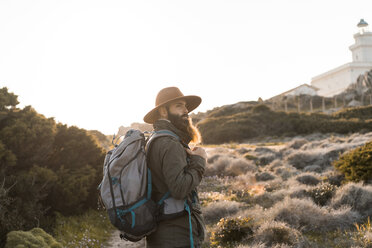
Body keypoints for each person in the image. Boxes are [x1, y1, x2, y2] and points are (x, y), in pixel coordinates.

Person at [143, 87, 207, 248]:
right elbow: (179, 189)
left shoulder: (156, 138)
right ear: (163, 111)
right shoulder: (169, 143)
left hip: (163, 230)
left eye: (185, 106)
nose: (186, 111)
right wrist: (199, 161)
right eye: (179, 105)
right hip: (176, 235)